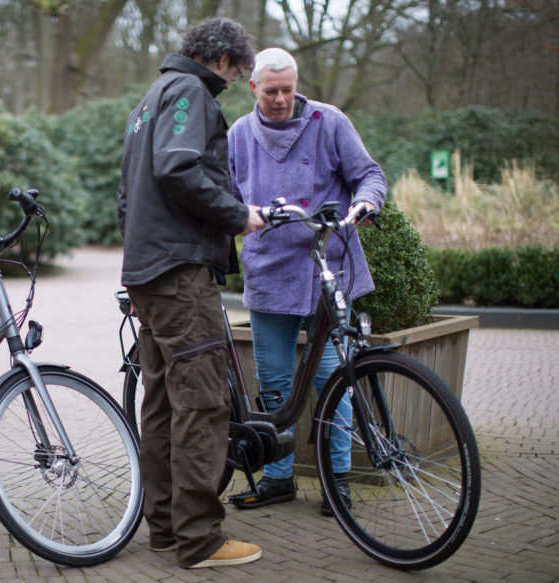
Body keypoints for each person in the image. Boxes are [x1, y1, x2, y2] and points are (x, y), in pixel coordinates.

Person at [118, 18, 266, 569]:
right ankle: (200, 539)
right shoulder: (189, 92)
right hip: (180, 274)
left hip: (152, 274)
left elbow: (127, 198)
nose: (232, 82)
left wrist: (136, 273)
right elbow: (178, 168)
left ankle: (165, 528)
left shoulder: (147, 102)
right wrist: (238, 216)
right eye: (237, 72)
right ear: (223, 58)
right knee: (203, 401)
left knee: (160, 403)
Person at [226, 47, 386, 514]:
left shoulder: (329, 122)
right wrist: (238, 219)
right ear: (253, 88)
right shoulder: (238, 135)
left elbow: (369, 176)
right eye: (270, 91)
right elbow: (227, 198)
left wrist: (365, 205)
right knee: (274, 381)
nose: (280, 99)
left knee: (334, 379)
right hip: (268, 270)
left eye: (288, 90)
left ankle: (337, 481)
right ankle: (278, 479)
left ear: (297, 86)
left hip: (327, 267)